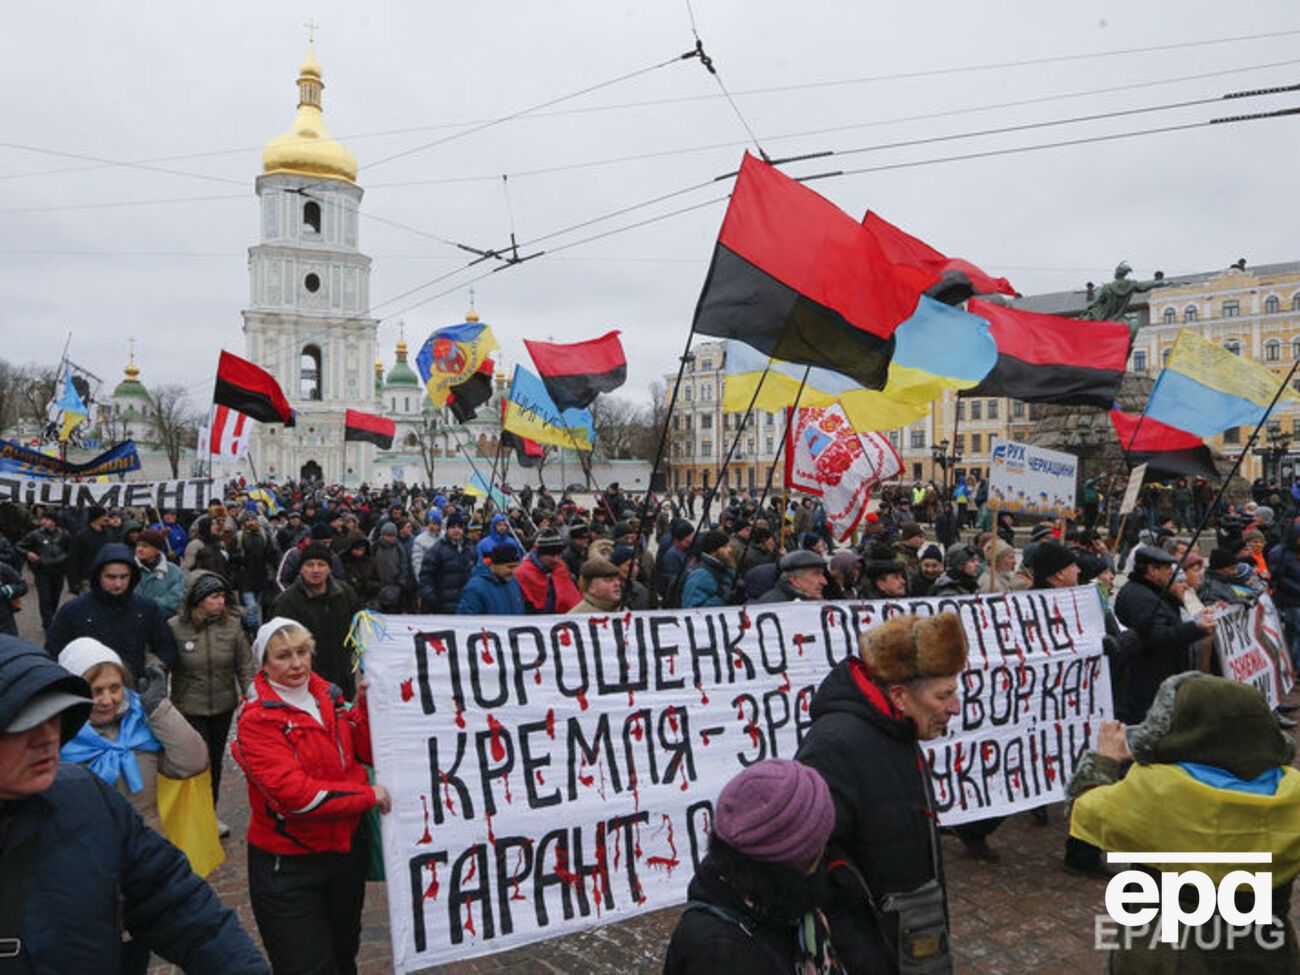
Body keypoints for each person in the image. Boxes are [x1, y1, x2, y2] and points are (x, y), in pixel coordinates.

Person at [0, 636, 269, 973]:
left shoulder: (86, 797)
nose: (47, 738)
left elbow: (175, 903)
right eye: (22, 726)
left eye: (54, 716)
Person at [1069, 672, 1300, 972]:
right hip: (1265, 949)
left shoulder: (1155, 789)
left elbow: (1085, 809)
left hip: (1167, 951)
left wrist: (1106, 761)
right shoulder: (1292, 791)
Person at [796, 613, 967, 972]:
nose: (955, 706)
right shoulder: (834, 747)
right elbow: (808, 871)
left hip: (907, 936)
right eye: (945, 694)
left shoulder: (897, 727)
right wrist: (866, 956)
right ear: (900, 695)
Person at [233, 618, 390, 975]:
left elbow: (364, 751)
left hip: (343, 853)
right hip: (288, 863)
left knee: (343, 951)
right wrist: (367, 795)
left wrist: (365, 707)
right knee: (305, 965)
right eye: (283, 656)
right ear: (265, 663)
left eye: (303, 652)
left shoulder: (329, 696)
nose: (297, 664)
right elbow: (295, 797)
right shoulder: (257, 718)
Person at [663, 759, 842, 974]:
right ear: (797, 860)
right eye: (819, 841)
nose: (825, 847)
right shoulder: (720, 954)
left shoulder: (787, 913)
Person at [57, 638, 208, 831]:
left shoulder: (140, 723)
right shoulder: (58, 737)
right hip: (89, 851)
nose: (107, 700)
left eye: (115, 688)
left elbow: (192, 763)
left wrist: (160, 710)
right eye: (95, 691)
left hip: (147, 846)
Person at [168, 570, 257, 835]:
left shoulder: (232, 626)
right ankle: (190, 816)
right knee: (194, 762)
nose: (220, 602)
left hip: (222, 705)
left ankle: (209, 814)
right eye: (214, 597)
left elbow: (244, 665)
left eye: (222, 596)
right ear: (198, 599)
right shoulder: (175, 627)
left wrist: (250, 697)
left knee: (214, 763)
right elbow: (162, 663)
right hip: (188, 706)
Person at [1112, 545, 1216, 724]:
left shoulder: (1150, 590)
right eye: (1167, 569)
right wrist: (1195, 629)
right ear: (1152, 571)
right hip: (1147, 680)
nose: (1171, 573)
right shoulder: (1142, 597)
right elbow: (1157, 636)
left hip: (1155, 676)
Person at [46, 542, 178, 680]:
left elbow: (166, 646)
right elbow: (52, 653)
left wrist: (155, 668)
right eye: (111, 577)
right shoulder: (73, 610)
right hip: (88, 691)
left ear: (132, 576)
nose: (118, 584)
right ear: (98, 576)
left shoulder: (146, 608)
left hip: (135, 688)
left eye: (124, 577)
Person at [272, 542, 365, 699]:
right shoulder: (287, 602)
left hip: (343, 680)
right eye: (309, 565)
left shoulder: (345, 593)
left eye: (321, 564)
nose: (315, 570)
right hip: (306, 684)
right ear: (301, 568)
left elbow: (361, 628)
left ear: (329, 568)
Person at [17, 511, 69, 630]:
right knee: (45, 599)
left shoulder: (64, 534)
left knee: (54, 598)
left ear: (54, 522)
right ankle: (48, 624)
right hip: (42, 572)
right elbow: (19, 546)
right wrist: (28, 553)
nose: (43, 521)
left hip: (58, 572)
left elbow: (70, 549)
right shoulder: (35, 535)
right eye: (43, 519)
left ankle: (51, 618)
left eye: (47, 519)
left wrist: (64, 559)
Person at [232, 511, 279, 631]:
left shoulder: (265, 536)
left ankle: (249, 631)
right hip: (245, 578)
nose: (251, 523)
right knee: (251, 607)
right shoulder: (239, 537)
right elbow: (232, 557)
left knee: (256, 607)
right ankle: (254, 630)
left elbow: (272, 555)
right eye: (248, 520)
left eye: (253, 520)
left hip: (261, 577)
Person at [418, 513, 475, 613]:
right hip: (443, 606)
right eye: (453, 527)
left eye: (459, 527)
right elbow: (426, 577)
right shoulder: (436, 550)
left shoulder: (469, 548)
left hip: (466, 603)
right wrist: (432, 599)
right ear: (447, 529)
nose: (456, 530)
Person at [515, 530, 582, 614]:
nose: (556, 559)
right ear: (541, 554)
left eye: (559, 555)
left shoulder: (561, 566)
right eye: (552, 555)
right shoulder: (523, 572)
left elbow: (571, 597)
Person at [457, 543, 526, 615]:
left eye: (516, 566)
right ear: (494, 565)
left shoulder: (513, 582)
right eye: (510, 567)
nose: (514, 571)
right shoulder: (475, 588)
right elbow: (467, 619)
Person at [64, 504, 117, 594]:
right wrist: (74, 583)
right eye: (104, 516)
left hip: (107, 577)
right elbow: (74, 559)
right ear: (96, 518)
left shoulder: (109, 534)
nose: (107, 518)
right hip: (87, 579)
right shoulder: (82, 536)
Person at [134, 528, 186, 618]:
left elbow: (176, 600)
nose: (140, 549)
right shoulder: (130, 569)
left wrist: (148, 608)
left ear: (158, 550)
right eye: (138, 545)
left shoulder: (174, 571)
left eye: (145, 546)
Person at [681, 530, 737, 609]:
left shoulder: (724, 567)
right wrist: (724, 599)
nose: (730, 550)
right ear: (713, 550)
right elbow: (692, 608)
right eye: (724, 546)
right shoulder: (700, 575)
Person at [754, 550, 828, 604]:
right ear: (795, 580)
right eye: (816, 574)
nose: (824, 582)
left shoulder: (811, 600)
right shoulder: (772, 606)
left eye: (822, 574)